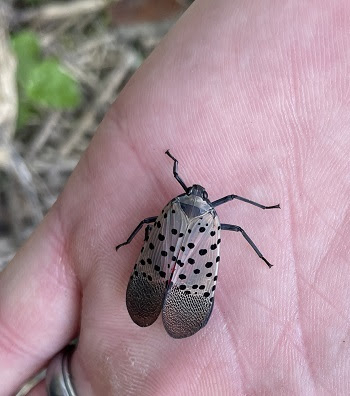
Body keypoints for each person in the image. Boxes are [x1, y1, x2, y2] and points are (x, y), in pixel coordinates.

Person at [1, 0, 349, 394]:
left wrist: (133, 237)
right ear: (201, 200)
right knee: (210, 227)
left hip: (161, 255)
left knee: (155, 229)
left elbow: (151, 220)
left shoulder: (171, 206)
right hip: (194, 268)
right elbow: (191, 207)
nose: (197, 192)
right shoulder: (214, 215)